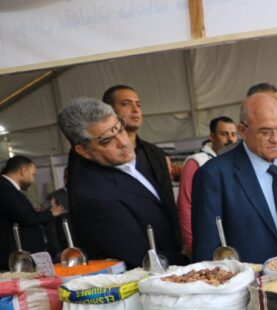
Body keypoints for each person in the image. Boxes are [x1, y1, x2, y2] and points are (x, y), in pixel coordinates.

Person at [57, 97, 186, 268]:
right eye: (107, 141)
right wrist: (189, 257)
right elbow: (139, 259)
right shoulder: (94, 197)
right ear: (83, 151)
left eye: (120, 129)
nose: (124, 142)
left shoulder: (140, 157)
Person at [191, 94, 277, 263]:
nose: (276, 139)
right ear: (243, 131)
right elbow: (206, 250)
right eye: (265, 132)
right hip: (250, 277)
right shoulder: (214, 175)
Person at [101, 85, 181, 247]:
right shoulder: (101, 155)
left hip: (166, 243)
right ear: (109, 111)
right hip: (125, 244)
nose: (135, 110)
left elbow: (168, 200)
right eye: (126, 104)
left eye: (138, 104)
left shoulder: (155, 153)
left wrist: (179, 241)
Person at [177, 116, 237, 255]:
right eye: (224, 134)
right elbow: (185, 204)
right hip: (209, 239)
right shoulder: (196, 162)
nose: (230, 139)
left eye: (233, 134)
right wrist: (190, 242)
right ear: (212, 136)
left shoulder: (237, 162)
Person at [0, 157, 65, 270]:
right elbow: (25, 218)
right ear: (23, 171)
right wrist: (51, 213)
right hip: (15, 257)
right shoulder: (4, 188)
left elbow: (18, 214)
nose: (33, 181)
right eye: (33, 175)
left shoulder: (8, 188)